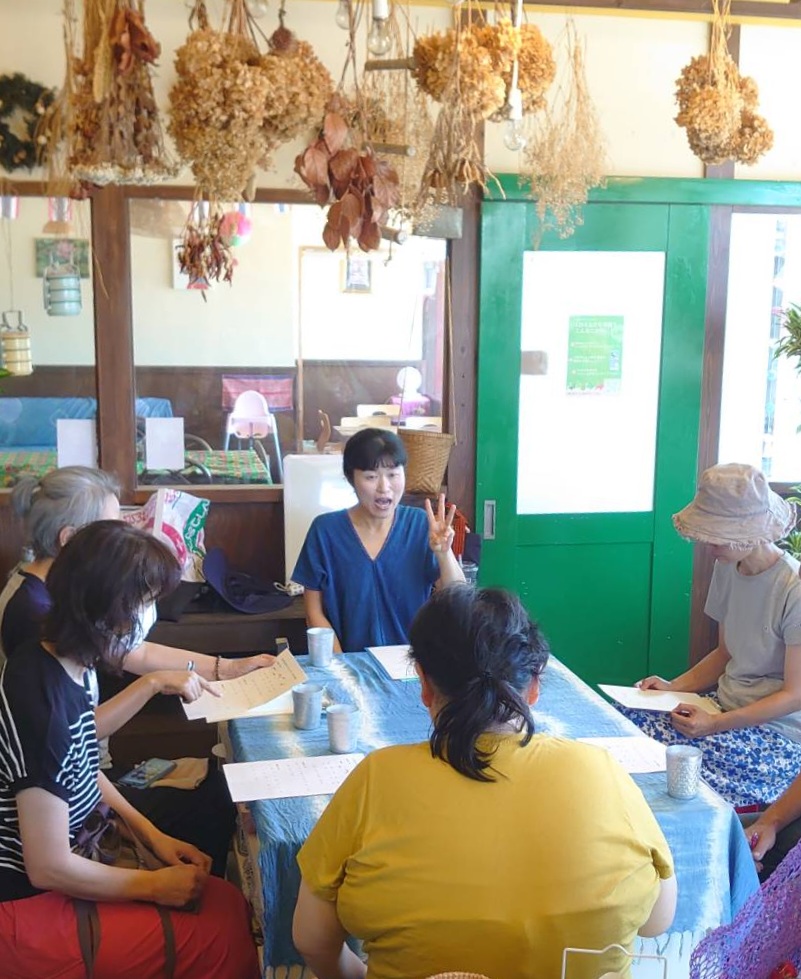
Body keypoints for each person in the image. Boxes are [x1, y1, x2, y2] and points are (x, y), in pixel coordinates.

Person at [293, 586, 676, 979]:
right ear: (534, 685)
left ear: (424, 685)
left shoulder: (375, 779)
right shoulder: (601, 770)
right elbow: (657, 920)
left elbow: (312, 939)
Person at [0, 520, 260, 979]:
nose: (148, 615)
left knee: (225, 901)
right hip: (27, 907)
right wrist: (152, 886)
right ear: (104, 607)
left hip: (75, 861)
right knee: (223, 930)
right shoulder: (43, 694)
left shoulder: (67, 662)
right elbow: (47, 867)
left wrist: (151, 835)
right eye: (143, 602)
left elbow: (80, 762)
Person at [0, 467, 274, 875]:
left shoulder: (64, 613)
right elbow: (48, 856)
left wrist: (226, 667)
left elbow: (81, 744)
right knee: (215, 805)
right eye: (111, 528)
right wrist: (153, 883)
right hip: (69, 817)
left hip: (86, 787)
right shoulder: (41, 631)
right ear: (74, 542)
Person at [627, 462, 801, 809]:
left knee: (671, 767)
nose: (706, 544)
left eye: (715, 536)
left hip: (775, 737)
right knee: (629, 723)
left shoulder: (793, 587)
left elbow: (794, 695)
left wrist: (716, 724)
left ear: (747, 533)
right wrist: (672, 686)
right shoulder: (727, 567)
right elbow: (725, 653)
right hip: (721, 709)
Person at [292, 428, 465, 653]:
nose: (384, 487)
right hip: (349, 660)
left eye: (393, 474)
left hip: (411, 663)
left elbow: (456, 597)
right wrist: (343, 665)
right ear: (351, 478)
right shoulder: (325, 531)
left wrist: (443, 553)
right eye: (371, 477)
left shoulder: (421, 525)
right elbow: (313, 613)